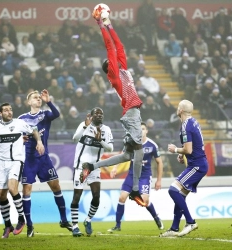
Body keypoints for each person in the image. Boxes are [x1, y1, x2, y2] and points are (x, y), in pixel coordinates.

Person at [80, 9, 145, 207]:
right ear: (108, 69)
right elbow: (110, 47)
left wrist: (110, 25)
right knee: (140, 152)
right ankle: (135, 189)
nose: (114, 60)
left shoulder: (123, 69)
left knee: (127, 155)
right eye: (110, 62)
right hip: (132, 112)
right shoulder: (115, 76)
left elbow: (119, 46)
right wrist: (101, 25)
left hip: (132, 112)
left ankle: (91, 166)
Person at [0, 103, 45, 238]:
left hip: (16, 160)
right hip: (1, 163)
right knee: (1, 195)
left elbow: (34, 130)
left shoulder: (19, 123)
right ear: (0, 113)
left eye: (10, 109)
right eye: (6, 110)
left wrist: (38, 141)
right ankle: (8, 225)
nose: (9, 112)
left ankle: (21, 219)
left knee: (12, 187)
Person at [18, 90, 72, 237]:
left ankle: (64, 219)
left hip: (44, 158)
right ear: (29, 102)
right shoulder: (22, 118)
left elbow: (57, 115)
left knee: (56, 186)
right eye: (35, 98)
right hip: (29, 159)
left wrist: (49, 101)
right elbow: (16, 136)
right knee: (27, 190)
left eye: (39, 98)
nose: (38, 99)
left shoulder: (45, 114)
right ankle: (29, 225)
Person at [160, 99, 208, 237]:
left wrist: (176, 150)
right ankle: (174, 228)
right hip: (198, 163)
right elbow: (191, 147)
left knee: (173, 190)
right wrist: (182, 154)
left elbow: (189, 149)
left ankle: (190, 222)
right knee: (180, 195)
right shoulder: (193, 122)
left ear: (180, 110)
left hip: (197, 165)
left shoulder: (186, 125)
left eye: (178, 106)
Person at [107, 122, 164, 232]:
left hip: (144, 176)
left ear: (146, 131)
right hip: (132, 175)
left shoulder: (152, 145)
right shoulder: (131, 143)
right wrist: (115, 168)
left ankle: (157, 218)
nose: (141, 131)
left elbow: (159, 163)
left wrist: (159, 180)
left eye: (143, 129)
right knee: (122, 197)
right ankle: (117, 225)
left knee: (145, 201)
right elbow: (122, 156)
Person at [71, 107, 113, 237]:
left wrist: (100, 140)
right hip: (81, 167)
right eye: (97, 114)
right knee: (77, 196)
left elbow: (110, 148)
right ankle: (75, 226)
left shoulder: (106, 130)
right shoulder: (84, 126)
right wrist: (84, 126)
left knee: (96, 196)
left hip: (94, 167)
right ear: (91, 115)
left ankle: (88, 220)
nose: (99, 115)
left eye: (101, 114)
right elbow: (74, 139)